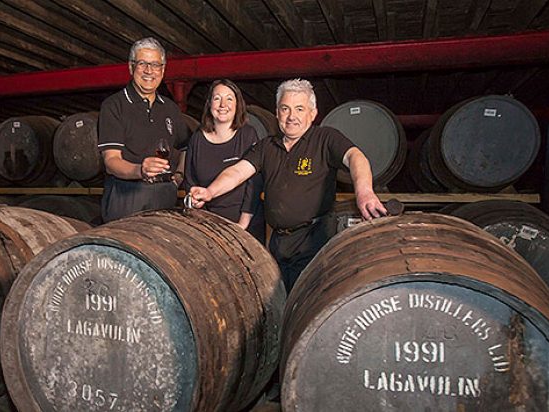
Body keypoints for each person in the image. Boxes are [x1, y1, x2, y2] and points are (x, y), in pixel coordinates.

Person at [189, 78, 387, 291]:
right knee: (278, 301)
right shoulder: (267, 146)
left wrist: (364, 191)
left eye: (299, 109)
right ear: (277, 113)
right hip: (278, 243)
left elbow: (355, 157)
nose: (291, 116)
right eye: (285, 109)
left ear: (312, 113)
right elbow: (237, 172)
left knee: (306, 304)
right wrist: (210, 191)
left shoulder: (325, 138)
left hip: (314, 239)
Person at [97, 37, 189, 222]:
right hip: (127, 195)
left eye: (155, 64)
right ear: (131, 67)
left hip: (165, 195)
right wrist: (140, 170)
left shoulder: (170, 108)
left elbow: (186, 147)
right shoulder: (115, 105)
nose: (149, 71)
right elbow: (111, 161)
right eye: (142, 64)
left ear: (163, 70)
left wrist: (178, 175)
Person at [184, 79, 266, 243]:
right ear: (209, 104)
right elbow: (190, 180)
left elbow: (254, 184)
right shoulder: (197, 139)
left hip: (244, 223)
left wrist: (242, 225)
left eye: (229, 98)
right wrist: (196, 205)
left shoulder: (247, 135)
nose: (223, 104)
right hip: (209, 225)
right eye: (217, 98)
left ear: (238, 105)